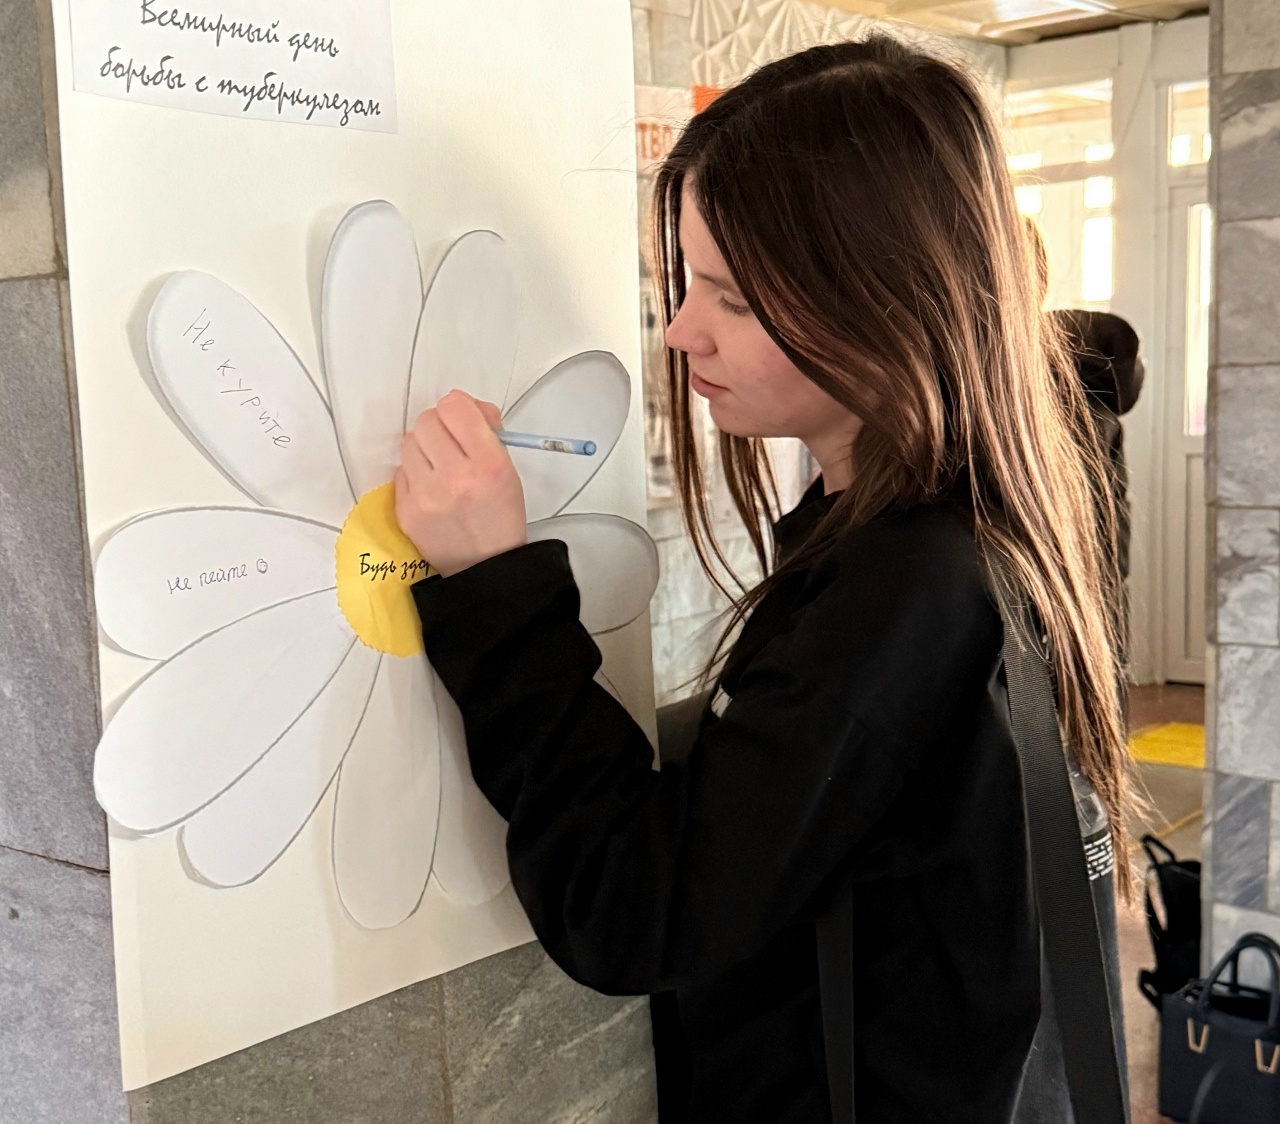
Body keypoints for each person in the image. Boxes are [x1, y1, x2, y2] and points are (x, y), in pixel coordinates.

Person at [393, 35, 1138, 1123]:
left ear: (886, 297)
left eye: (731, 299)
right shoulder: (1004, 503)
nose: (681, 331)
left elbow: (638, 908)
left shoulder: (906, 589)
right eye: (688, 282)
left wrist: (494, 587)